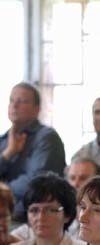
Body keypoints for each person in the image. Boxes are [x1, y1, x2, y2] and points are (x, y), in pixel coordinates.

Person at [0, 82, 65, 220]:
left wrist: (3, 192)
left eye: (22, 101)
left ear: (37, 109)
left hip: (33, 219)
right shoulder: (4, 139)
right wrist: (8, 153)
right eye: (11, 100)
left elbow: (37, 183)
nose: (14, 105)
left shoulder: (47, 138)